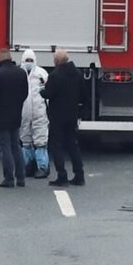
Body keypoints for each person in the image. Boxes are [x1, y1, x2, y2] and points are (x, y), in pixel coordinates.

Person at [41, 48, 85, 187]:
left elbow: (49, 93)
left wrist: (42, 91)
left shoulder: (55, 75)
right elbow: (83, 94)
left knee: (57, 146)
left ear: (57, 61)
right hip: (72, 115)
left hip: (57, 116)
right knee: (72, 145)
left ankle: (62, 175)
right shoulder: (77, 73)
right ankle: (79, 175)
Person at [0, 48, 29, 188]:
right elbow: (25, 93)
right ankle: (21, 177)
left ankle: (9, 178)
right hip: (15, 114)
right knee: (16, 146)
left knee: (5, 148)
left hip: (0, 115)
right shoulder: (21, 73)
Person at [19, 49, 50, 179]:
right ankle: (27, 166)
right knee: (25, 140)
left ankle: (43, 167)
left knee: (40, 140)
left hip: (39, 111)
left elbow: (48, 92)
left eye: (31, 60)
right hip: (23, 112)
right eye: (27, 60)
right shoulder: (19, 74)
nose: (29, 63)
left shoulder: (42, 74)